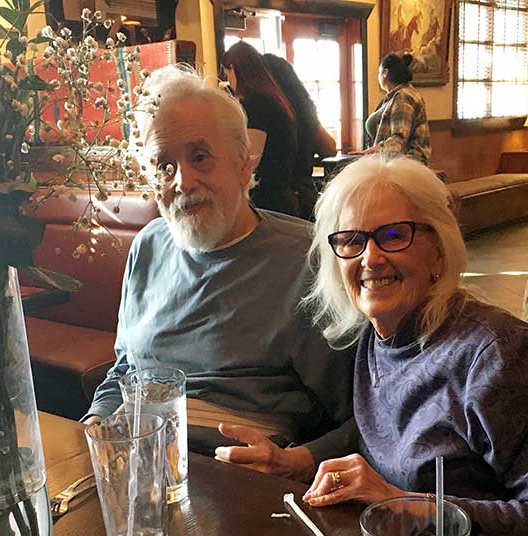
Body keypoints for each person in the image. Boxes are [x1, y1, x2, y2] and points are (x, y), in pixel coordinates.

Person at [224, 153, 528, 536]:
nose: (370, 258)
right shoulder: (377, 334)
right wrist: (296, 461)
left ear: (439, 251)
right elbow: (384, 425)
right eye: (352, 240)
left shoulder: (500, 356)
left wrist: (404, 506)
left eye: (394, 235)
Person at [84, 65, 354, 481]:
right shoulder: (148, 246)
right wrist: (96, 429)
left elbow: (369, 410)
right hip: (134, 464)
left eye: (200, 157)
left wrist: (299, 461)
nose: (182, 181)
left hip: (239, 479)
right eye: (163, 165)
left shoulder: (309, 259)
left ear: (245, 165)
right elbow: (124, 369)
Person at [222, 42, 300, 216]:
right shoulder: (273, 99)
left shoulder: (255, 103)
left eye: (227, 74)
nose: (228, 82)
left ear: (233, 68)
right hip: (282, 196)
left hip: (268, 200)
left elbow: (251, 158)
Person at [263, 53, 337, 220]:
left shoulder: (261, 112)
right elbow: (330, 148)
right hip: (304, 196)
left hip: (273, 204)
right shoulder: (303, 109)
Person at [365, 53, 432, 166]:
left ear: (385, 73)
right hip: (393, 162)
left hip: (405, 166)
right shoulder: (396, 95)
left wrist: (371, 152)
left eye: (379, 72)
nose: (378, 76)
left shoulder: (403, 97)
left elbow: (399, 139)